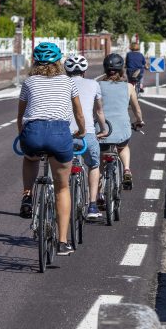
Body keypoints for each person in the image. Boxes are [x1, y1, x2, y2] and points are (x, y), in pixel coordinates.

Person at [17, 42, 87, 256]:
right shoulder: (68, 82)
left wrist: (23, 136)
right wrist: (82, 132)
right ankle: (63, 241)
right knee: (62, 188)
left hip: (33, 132)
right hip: (59, 134)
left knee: (30, 158)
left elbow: (21, 116)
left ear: (35, 62)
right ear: (58, 62)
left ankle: (27, 195)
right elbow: (78, 113)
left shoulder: (29, 82)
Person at [63, 53, 109, 222]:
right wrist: (103, 129)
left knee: (60, 168)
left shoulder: (62, 84)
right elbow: (99, 111)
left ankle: (61, 204)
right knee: (94, 165)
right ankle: (92, 205)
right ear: (85, 70)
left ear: (66, 71)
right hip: (87, 134)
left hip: (64, 135)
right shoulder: (94, 84)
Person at [97, 53, 144, 203]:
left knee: (100, 159)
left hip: (102, 128)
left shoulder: (97, 85)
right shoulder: (129, 87)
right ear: (121, 70)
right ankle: (127, 170)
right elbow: (136, 109)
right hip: (122, 128)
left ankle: (99, 195)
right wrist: (139, 121)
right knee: (123, 147)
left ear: (105, 69)